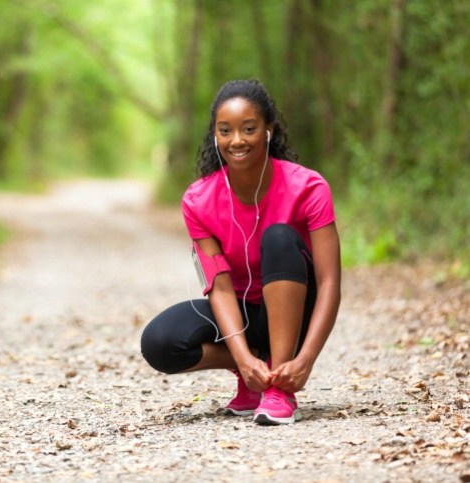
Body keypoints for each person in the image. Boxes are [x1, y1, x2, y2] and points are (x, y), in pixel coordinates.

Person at [140, 79, 341, 425]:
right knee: (159, 342)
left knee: (278, 237)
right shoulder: (198, 200)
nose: (237, 141)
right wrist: (243, 358)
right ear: (215, 136)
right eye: (225, 130)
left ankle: (279, 388)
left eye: (248, 129)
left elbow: (329, 283)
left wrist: (306, 358)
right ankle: (254, 373)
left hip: (296, 309)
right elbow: (219, 287)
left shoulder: (308, 188)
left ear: (268, 130)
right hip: (242, 313)